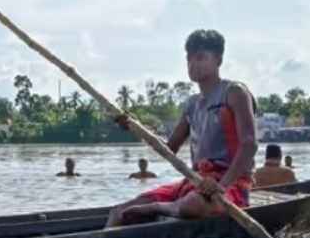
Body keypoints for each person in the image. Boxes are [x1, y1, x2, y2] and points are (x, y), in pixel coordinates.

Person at [107, 29, 257, 227]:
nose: (193, 64)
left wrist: (221, 187)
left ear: (218, 61)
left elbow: (249, 145)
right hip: (196, 182)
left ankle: (161, 208)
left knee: (193, 205)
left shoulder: (234, 92)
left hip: (230, 184)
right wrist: (135, 127)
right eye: (189, 59)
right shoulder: (192, 104)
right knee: (120, 212)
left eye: (201, 57)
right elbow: (169, 149)